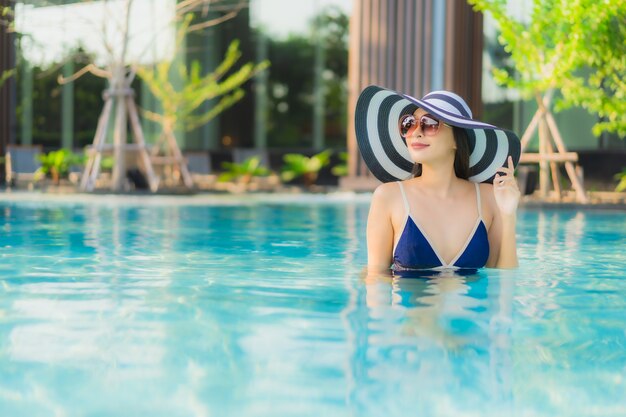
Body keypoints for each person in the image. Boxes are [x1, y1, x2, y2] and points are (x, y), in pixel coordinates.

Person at [354, 86, 522, 274]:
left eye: (429, 124)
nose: (416, 132)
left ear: (457, 140)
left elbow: (503, 277)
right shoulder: (388, 196)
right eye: (409, 124)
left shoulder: (489, 197)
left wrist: (508, 216)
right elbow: (376, 277)